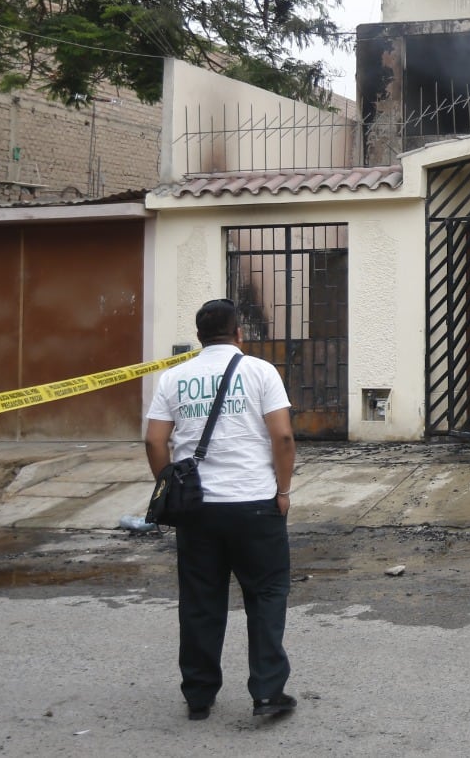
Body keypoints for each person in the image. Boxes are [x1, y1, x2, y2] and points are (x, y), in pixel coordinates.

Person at [145, 298, 298, 721]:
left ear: (199, 337)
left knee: (200, 600)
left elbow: (154, 440)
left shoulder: (174, 377)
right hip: (255, 502)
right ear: (239, 334)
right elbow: (283, 437)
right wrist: (283, 490)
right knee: (266, 595)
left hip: (197, 508)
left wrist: (170, 486)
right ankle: (267, 693)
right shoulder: (260, 371)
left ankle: (198, 695)